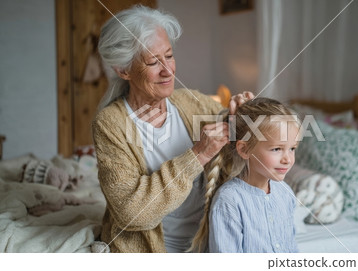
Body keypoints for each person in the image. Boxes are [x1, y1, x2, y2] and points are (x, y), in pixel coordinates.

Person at [92, 5, 253, 253]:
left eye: (168, 56)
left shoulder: (192, 102)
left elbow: (242, 154)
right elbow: (131, 214)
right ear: (124, 70)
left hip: (211, 244)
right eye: (153, 62)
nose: (168, 71)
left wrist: (242, 119)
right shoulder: (110, 124)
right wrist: (197, 155)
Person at [189, 98, 300, 253]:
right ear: (245, 150)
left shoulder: (285, 192)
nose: (287, 159)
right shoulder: (230, 200)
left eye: (292, 148)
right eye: (277, 149)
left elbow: (291, 247)